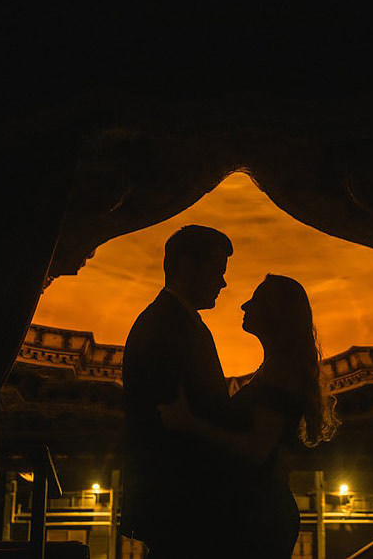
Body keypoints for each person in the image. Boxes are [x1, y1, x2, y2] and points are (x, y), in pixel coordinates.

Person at [158, 274, 340, 559]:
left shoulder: (280, 373)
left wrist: (188, 422)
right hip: (260, 510)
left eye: (255, 301)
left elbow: (257, 449)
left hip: (259, 515)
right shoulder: (279, 369)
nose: (244, 305)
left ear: (274, 312)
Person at [120, 225, 237, 559]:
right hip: (183, 503)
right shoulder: (165, 327)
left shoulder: (172, 322)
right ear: (187, 266)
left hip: (179, 505)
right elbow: (170, 423)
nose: (223, 283)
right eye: (217, 271)